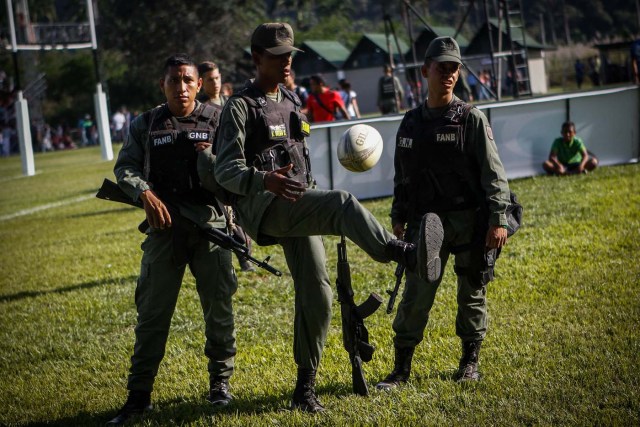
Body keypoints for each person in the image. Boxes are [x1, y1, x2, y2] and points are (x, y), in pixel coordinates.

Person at [212, 22, 439, 413]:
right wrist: (264, 180)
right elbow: (224, 171)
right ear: (256, 59)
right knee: (341, 204)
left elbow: (299, 160)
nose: (287, 62)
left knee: (318, 293)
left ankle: (305, 388)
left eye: (290, 56)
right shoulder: (240, 106)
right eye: (278, 56)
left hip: (297, 203)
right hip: (264, 207)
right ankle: (402, 253)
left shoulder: (291, 100)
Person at [375, 36, 511, 390]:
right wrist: (398, 216)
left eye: (454, 69)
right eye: (442, 68)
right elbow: (402, 176)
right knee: (416, 294)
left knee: (472, 291)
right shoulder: (410, 123)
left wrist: (498, 220)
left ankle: (469, 362)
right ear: (425, 71)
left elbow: (493, 174)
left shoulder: (471, 119)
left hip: (469, 221)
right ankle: (401, 368)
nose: (449, 74)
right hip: (425, 223)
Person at [108, 53, 238, 425]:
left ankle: (220, 384)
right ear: (162, 85)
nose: (180, 87)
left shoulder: (218, 119)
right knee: (152, 313)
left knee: (219, 309)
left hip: (210, 228)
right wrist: (143, 193)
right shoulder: (146, 124)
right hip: (164, 231)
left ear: (199, 84)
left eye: (187, 80)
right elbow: (125, 167)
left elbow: (236, 168)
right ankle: (139, 395)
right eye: (173, 81)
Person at [198, 60, 255, 271]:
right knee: (227, 215)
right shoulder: (200, 109)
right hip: (215, 168)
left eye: (217, 78)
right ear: (202, 82)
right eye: (210, 80)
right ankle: (242, 257)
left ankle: (245, 253)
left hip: (237, 163)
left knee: (240, 211)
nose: (215, 83)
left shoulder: (231, 102)